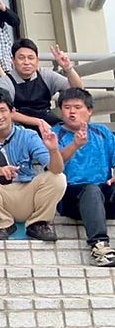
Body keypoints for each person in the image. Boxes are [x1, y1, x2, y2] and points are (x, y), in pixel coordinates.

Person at [0, 86, 66, 240]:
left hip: (26, 192)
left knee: (58, 178)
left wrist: (53, 150)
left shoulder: (28, 135)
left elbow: (56, 169)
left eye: (2, 110)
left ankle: (38, 223)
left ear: (12, 112)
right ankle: (4, 223)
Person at [52, 88, 115, 266]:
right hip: (70, 196)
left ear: (89, 111)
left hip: (102, 194)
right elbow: (53, 166)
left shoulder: (102, 132)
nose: (72, 112)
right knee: (91, 189)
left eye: (78, 107)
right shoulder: (54, 133)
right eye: (67, 107)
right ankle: (100, 246)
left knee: (97, 190)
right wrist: (75, 145)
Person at [0, 39, 83, 129]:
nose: (27, 62)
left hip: (48, 120)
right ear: (13, 60)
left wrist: (67, 68)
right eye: (21, 58)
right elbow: (5, 112)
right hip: (20, 127)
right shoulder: (6, 81)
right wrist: (37, 122)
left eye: (31, 58)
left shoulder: (45, 75)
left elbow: (78, 90)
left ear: (37, 61)